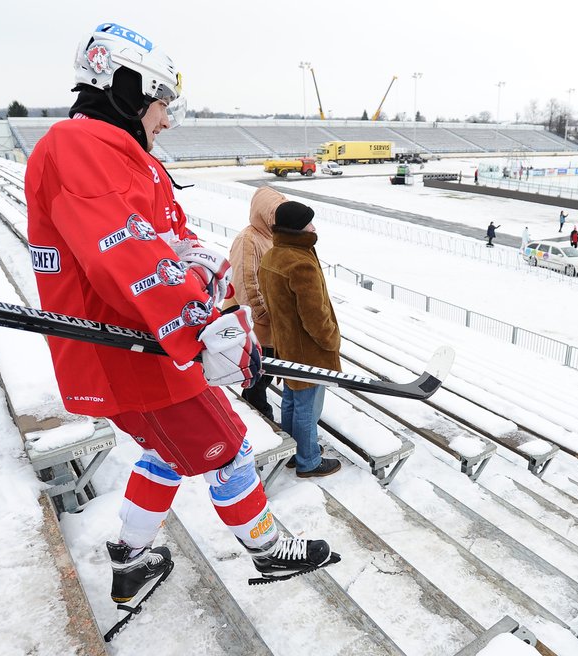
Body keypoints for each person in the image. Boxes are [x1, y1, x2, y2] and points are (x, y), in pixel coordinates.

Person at [25, 23, 336, 609]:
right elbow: (127, 253)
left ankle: (132, 559)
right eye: (163, 103)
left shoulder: (118, 153)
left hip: (149, 348)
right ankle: (267, 547)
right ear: (126, 87)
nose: (167, 119)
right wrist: (201, 325)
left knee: (166, 453)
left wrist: (206, 269)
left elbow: (167, 238)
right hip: (133, 354)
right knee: (231, 446)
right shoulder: (80, 148)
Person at [258, 201, 343, 480]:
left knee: (292, 401)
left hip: (287, 346)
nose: (313, 228)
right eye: (308, 223)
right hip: (309, 351)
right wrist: (331, 340)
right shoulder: (300, 262)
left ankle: (296, 451)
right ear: (296, 228)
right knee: (308, 406)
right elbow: (315, 316)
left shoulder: (273, 256)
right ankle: (308, 460)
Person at [223, 186, 286, 423]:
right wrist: (262, 315)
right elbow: (244, 282)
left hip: (268, 321)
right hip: (254, 322)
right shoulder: (248, 239)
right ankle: (266, 424)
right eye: (274, 214)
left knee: (262, 376)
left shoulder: (271, 236)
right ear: (263, 213)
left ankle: (259, 419)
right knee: (258, 378)